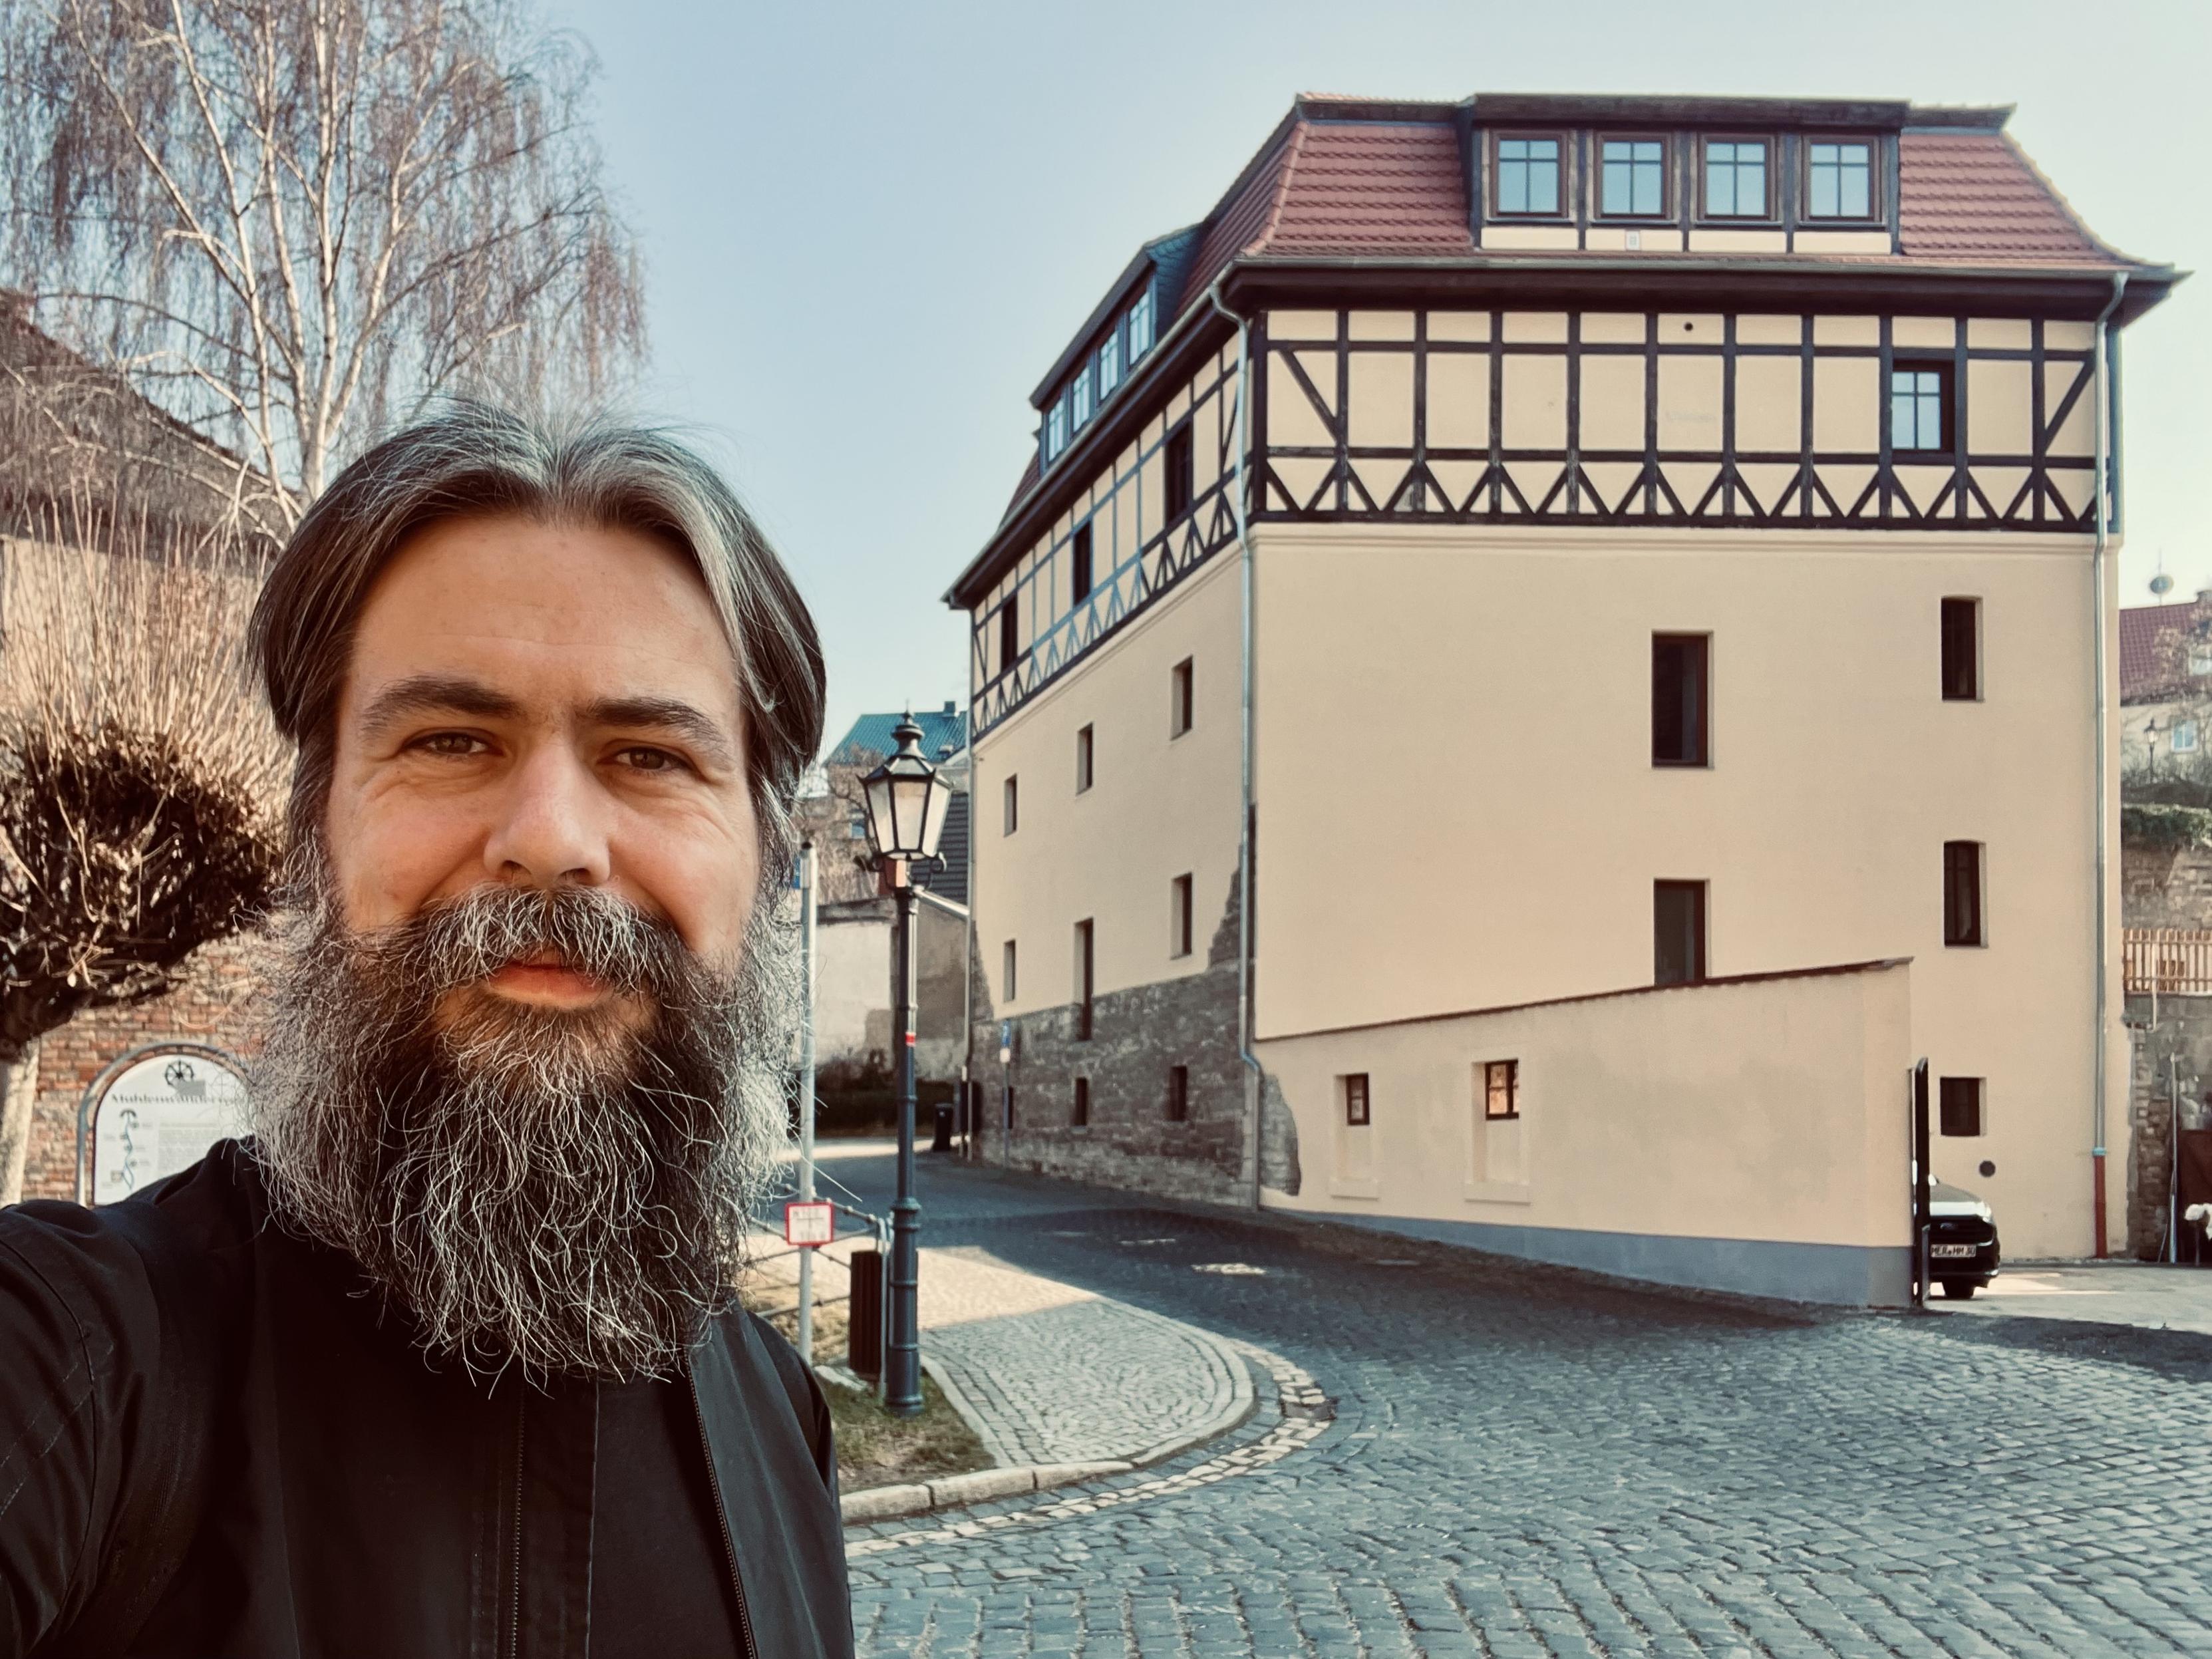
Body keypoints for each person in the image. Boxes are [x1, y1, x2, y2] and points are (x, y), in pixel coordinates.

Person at [0, 404, 854, 1658]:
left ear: (766, 856)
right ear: (317, 836)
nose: (553, 836)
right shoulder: (72, 1356)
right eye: (451, 740)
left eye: (650, 754)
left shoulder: (785, 1418)